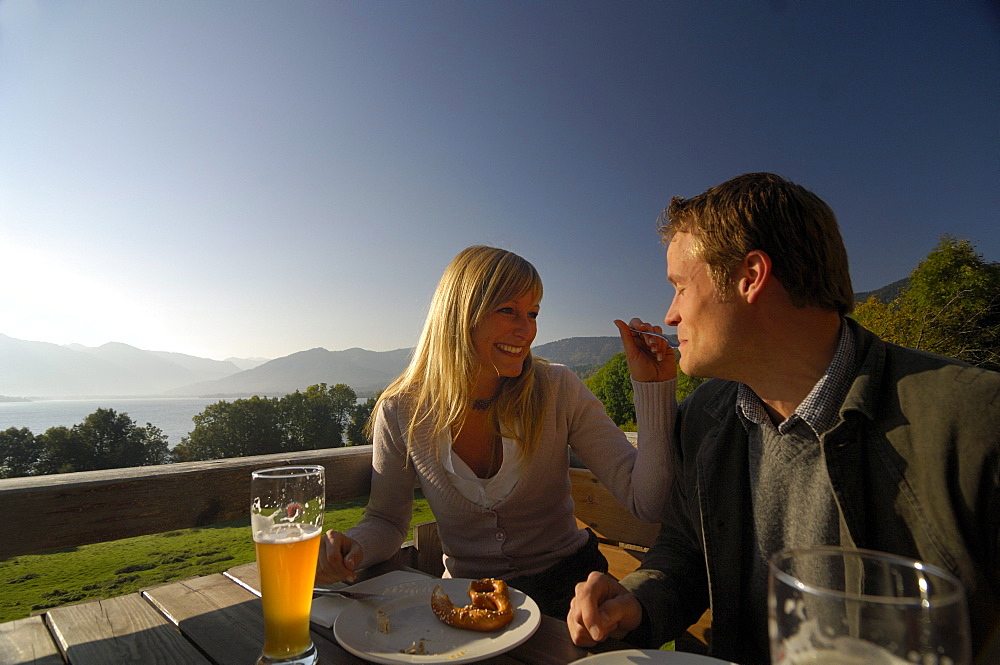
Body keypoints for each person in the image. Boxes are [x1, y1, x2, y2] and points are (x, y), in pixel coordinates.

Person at [567, 173, 1000, 663]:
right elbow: (687, 552)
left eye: (682, 287)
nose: (669, 315)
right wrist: (639, 601)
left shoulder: (975, 424)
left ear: (750, 276)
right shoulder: (704, 420)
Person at [316, 245, 677, 618]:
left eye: (533, 313)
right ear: (460, 314)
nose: (527, 330)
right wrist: (351, 547)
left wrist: (653, 388)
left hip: (573, 600)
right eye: (508, 310)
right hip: (468, 603)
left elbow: (646, 501)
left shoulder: (558, 388)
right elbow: (387, 520)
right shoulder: (401, 411)